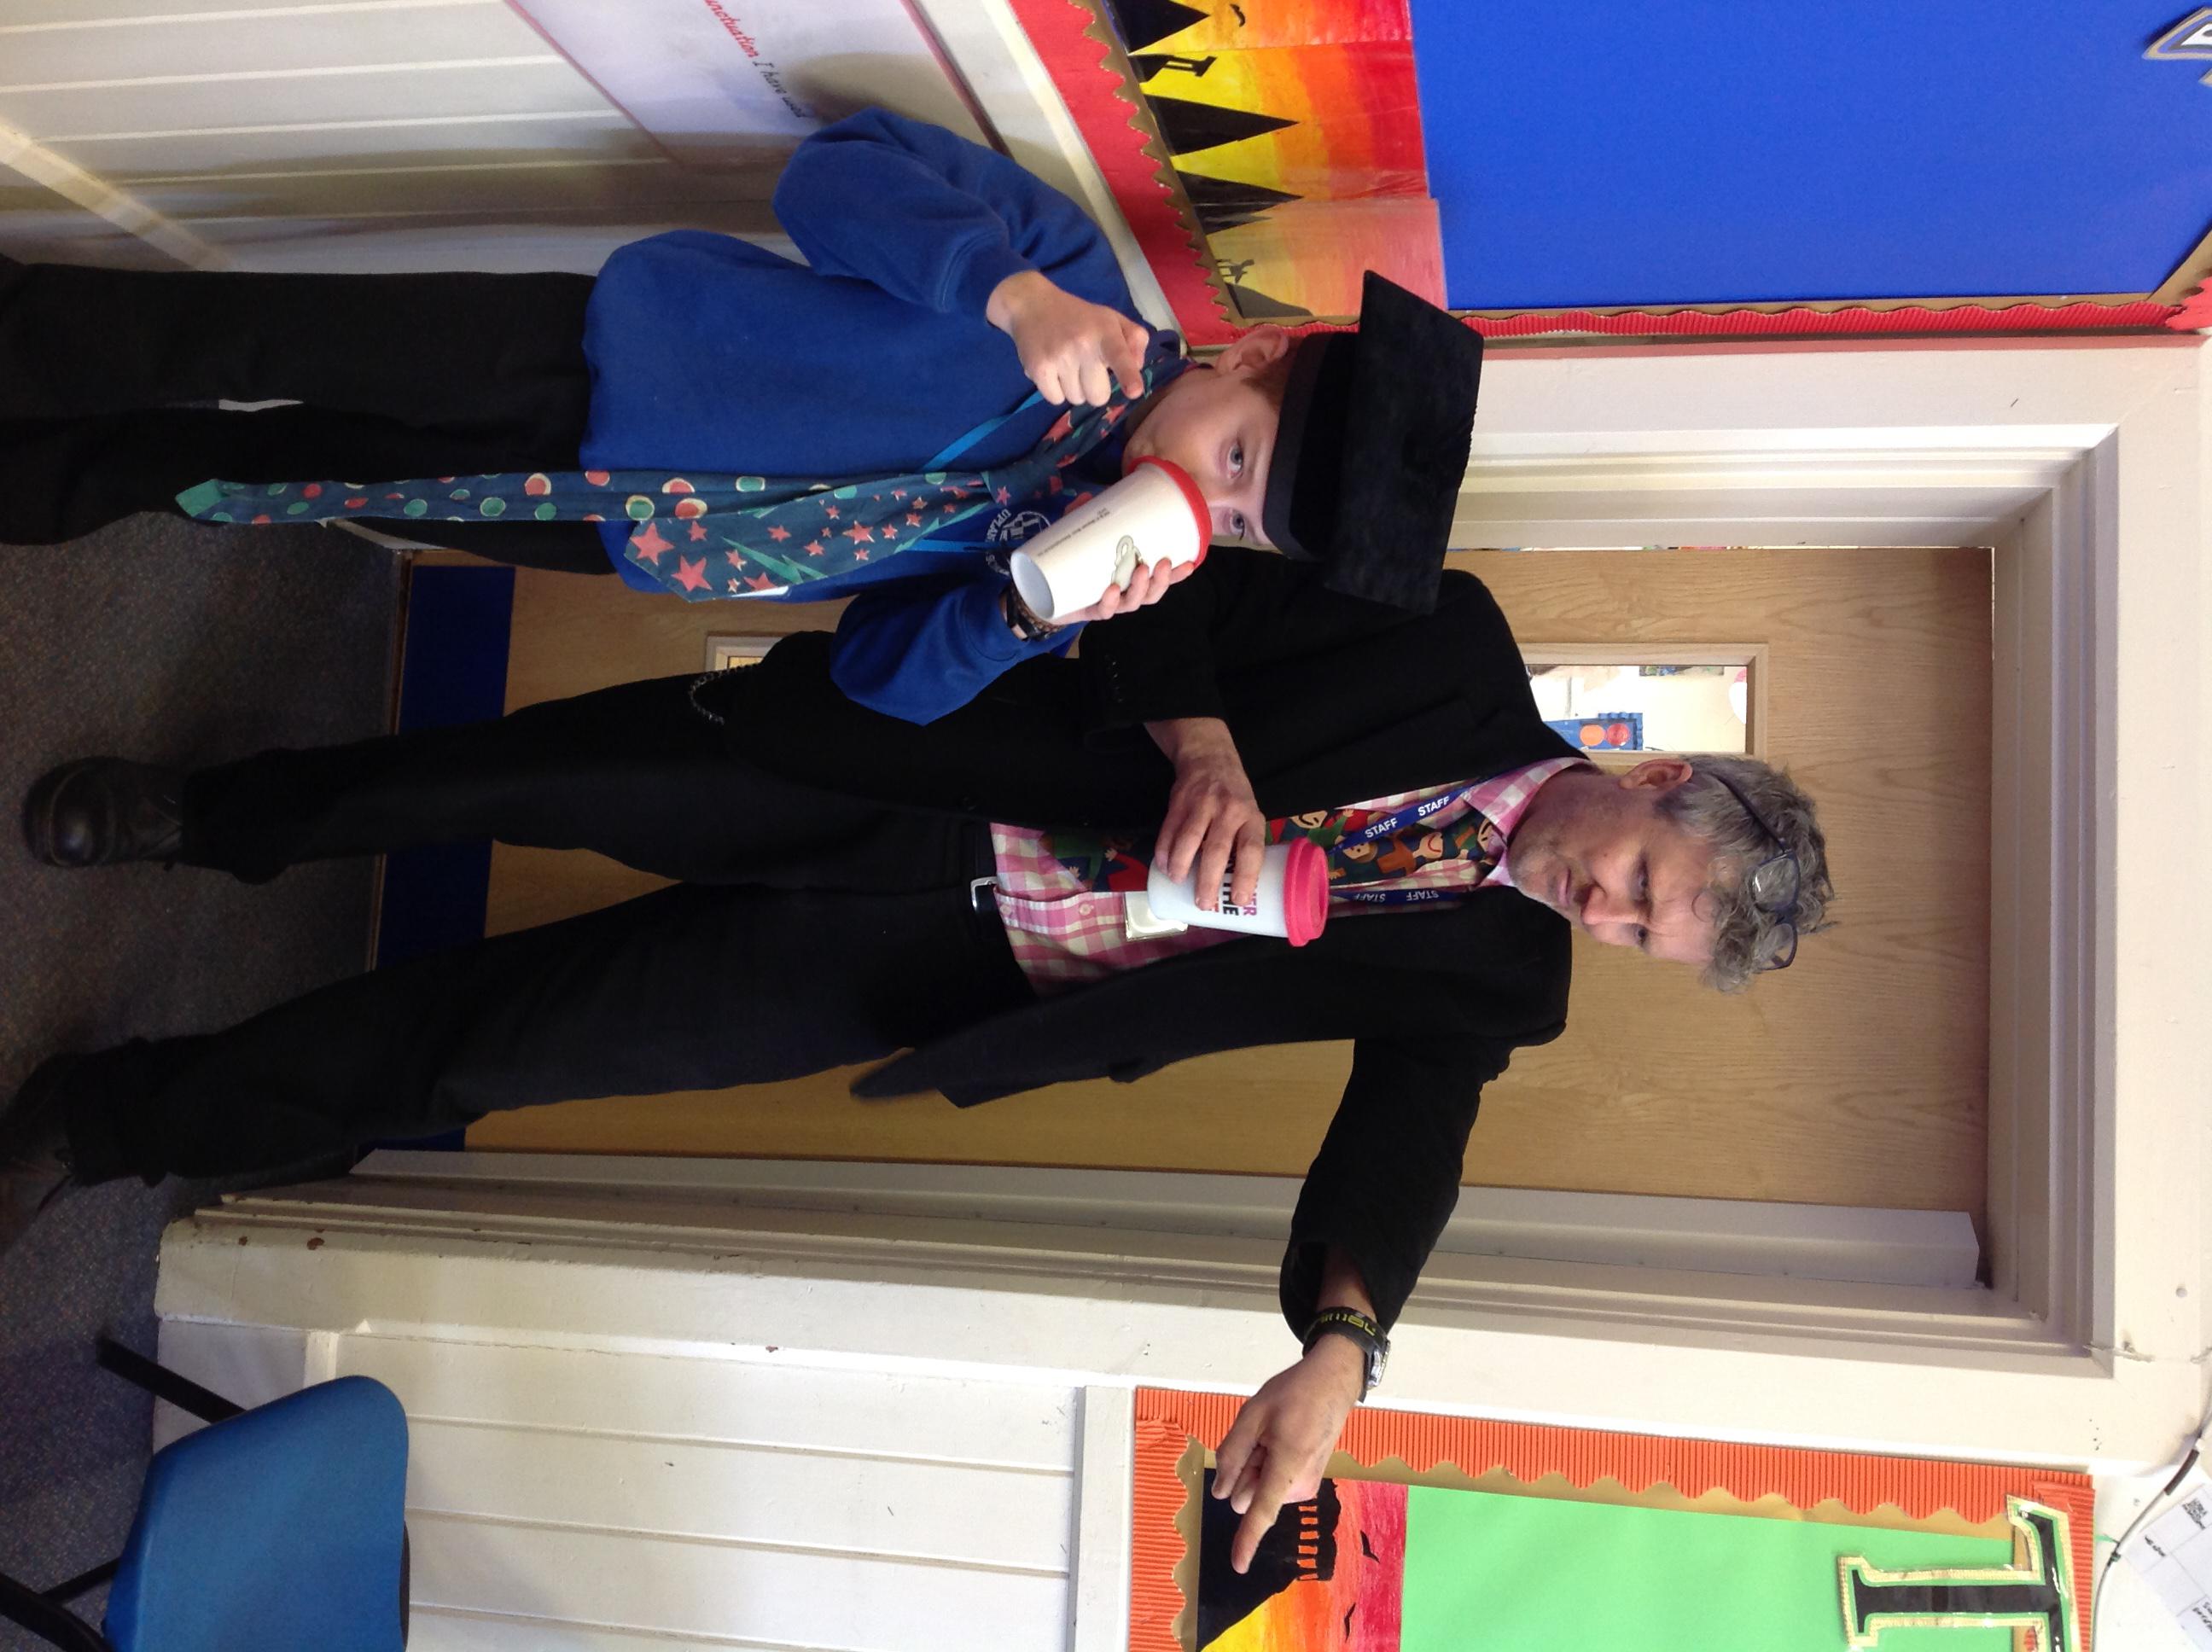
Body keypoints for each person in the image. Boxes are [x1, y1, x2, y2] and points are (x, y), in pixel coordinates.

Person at [2, 549, 1831, 1569]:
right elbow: (1181, 578)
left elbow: (1407, 1136)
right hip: (916, 768)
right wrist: (1199, 741)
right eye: (1640, 883)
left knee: (484, 1050)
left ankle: (106, 1117)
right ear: (1658, 777)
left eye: (1637, 940)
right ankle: (204, 815)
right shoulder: (1450, 640)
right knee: (512, 773)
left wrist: (1342, 1349)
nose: (1601, 913)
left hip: (929, 967)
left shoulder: (1502, 978)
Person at [0, 109, 1483, 724]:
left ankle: (69, 485)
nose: (1206, 499)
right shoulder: (1067, 283)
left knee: (312, 476)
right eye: (1237, 455)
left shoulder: (1068, 559)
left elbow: (879, 683)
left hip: (624, 528)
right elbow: (828, 176)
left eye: (1237, 521)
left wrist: (1023, 615)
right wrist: (1008, 294)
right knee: (262, 337)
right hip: (597, 363)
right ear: (1253, 353)